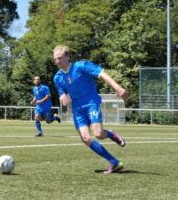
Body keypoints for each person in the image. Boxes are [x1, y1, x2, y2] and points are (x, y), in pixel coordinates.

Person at [53, 45, 129, 174]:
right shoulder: (57, 77)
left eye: (60, 58)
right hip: (77, 109)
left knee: (98, 134)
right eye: (55, 59)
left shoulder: (81, 66)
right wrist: (63, 99)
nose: (57, 61)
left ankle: (110, 134)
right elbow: (62, 94)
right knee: (86, 138)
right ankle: (114, 162)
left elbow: (102, 74)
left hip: (91, 103)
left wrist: (118, 88)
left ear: (67, 56)